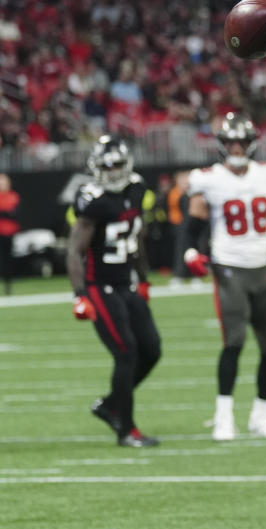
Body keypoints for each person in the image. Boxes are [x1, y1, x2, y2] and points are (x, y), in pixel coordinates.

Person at [183, 113, 266, 441]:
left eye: (242, 142)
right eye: (231, 141)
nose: (236, 147)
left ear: (251, 144)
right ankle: (224, 416)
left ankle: (261, 415)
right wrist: (190, 252)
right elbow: (192, 225)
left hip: (260, 269)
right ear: (222, 144)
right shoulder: (208, 178)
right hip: (228, 267)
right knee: (233, 342)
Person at [66, 135, 161, 447]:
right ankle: (126, 429)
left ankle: (111, 405)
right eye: (107, 165)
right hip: (99, 286)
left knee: (151, 350)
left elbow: (138, 237)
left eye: (118, 164)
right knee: (126, 352)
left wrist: (143, 278)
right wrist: (79, 294)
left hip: (127, 282)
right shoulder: (93, 199)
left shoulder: (136, 189)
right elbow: (74, 251)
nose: (114, 170)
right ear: (96, 166)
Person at [0, 173, 19, 295]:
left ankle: (8, 284)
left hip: (9, 234)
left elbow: (15, 214)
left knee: (7, 260)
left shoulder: (14, 197)